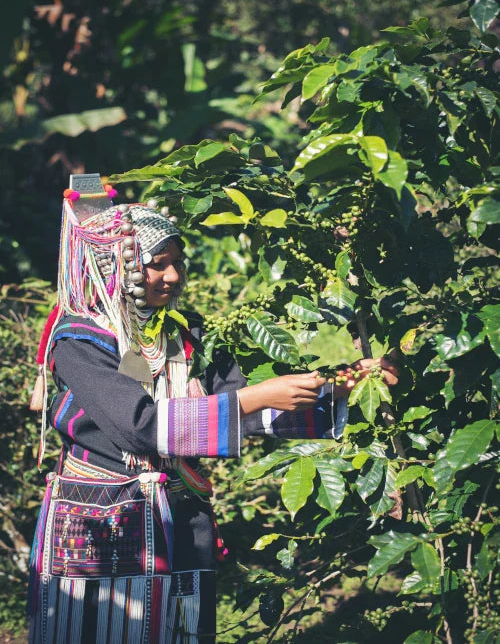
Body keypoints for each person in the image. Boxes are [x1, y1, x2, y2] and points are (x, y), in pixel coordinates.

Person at [28, 179, 398, 643]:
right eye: (156, 265)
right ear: (115, 270)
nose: (173, 277)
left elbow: (242, 404)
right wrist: (254, 398)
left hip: (180, 513)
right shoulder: (79, 341)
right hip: (102, 522)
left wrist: (343, 383)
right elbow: (139, 426)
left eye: (179, 264)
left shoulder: (184, 332)